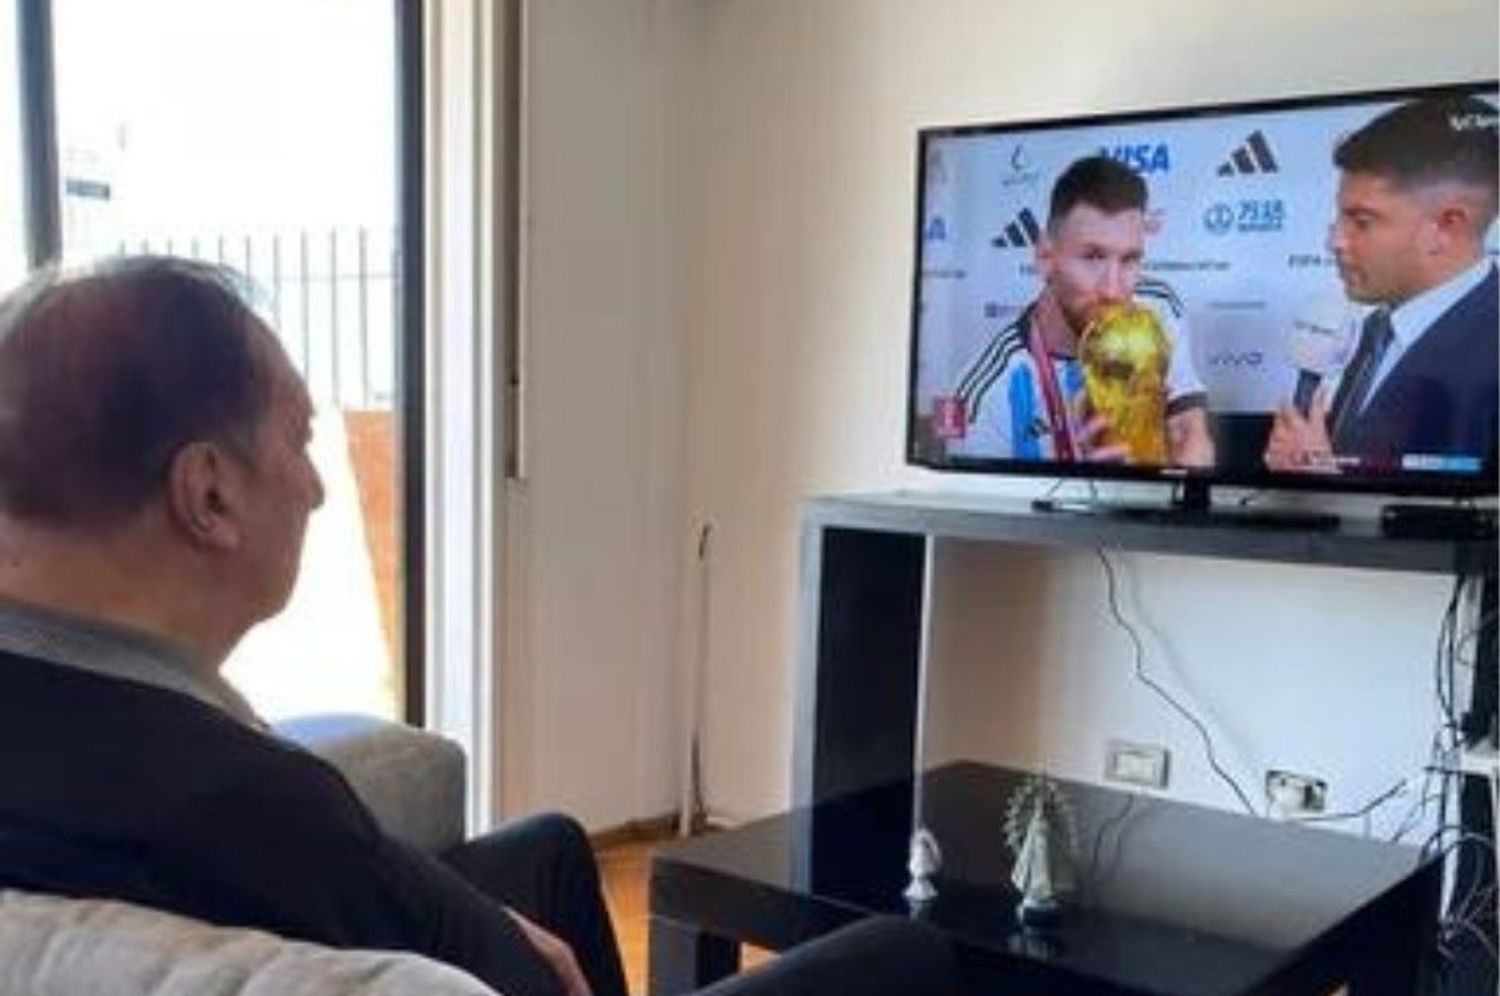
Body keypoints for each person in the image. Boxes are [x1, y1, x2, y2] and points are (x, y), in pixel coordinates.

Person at [0, 258, 955, 996]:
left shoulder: (105, 735)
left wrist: (466, 909)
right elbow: (525, 977)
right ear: (207, 493)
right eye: (297, 439)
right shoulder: (245, 800)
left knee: (546, 847)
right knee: (902, 952)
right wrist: (488, 937)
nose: (321, 485)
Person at [1264, 94, 1498, 475]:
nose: (1335, 242)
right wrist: (1315, 479)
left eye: (1362, 222)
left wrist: (1329, 481)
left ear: (1447, 226)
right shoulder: (1376, 331)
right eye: (1339, 219)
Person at [944, 155, 1214, 467]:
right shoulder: (985, 397)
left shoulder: (1158, 308)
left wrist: (1168, 471)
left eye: (1129, 260)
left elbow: (1190, 434)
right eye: (1093, 257)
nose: (1113, 290)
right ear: (1046, 256)